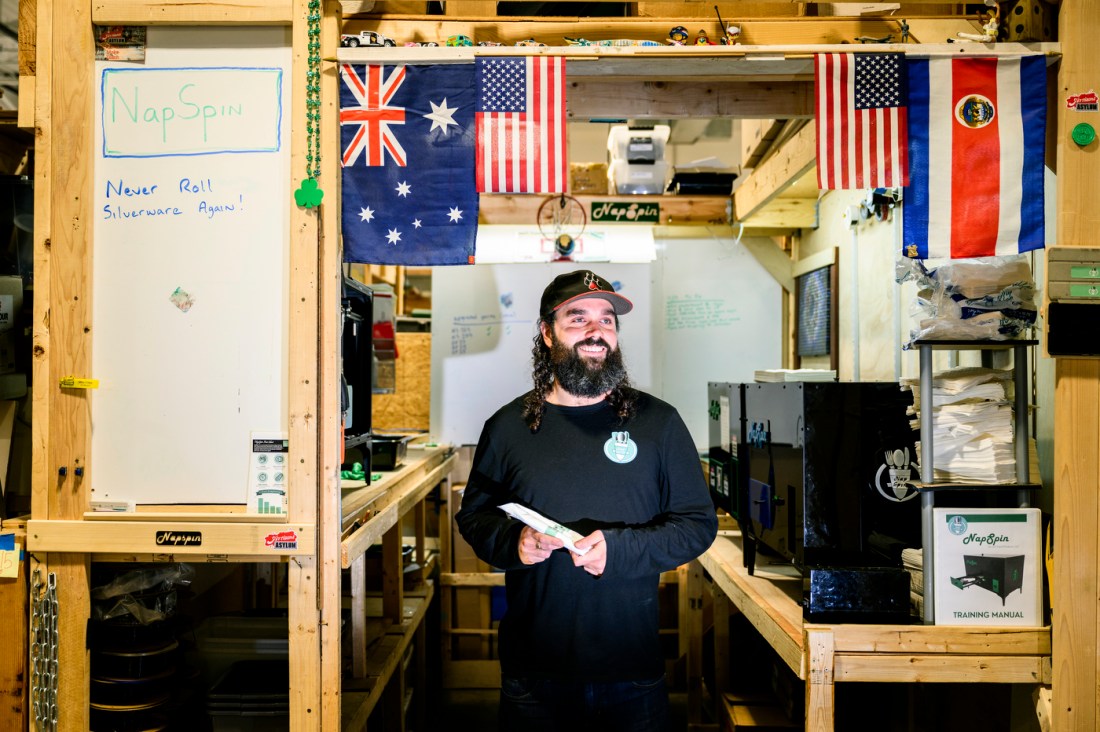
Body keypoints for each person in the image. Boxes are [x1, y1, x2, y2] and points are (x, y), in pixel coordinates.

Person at [455, 269, 719, 732]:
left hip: (632, 670)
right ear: (546, 332)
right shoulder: (508, 428)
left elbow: (698, 523)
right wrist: (515, 542)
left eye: (607, 320)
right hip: (534, 674)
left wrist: (618, 550)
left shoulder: (658, 423)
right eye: (578, 319)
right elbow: (475, 516)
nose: (597, 331)